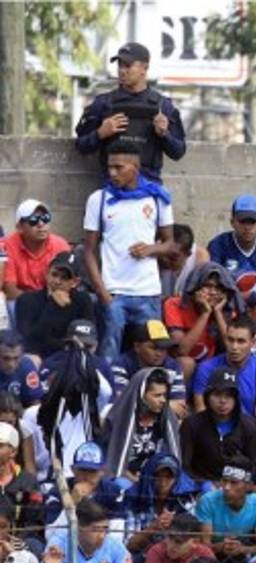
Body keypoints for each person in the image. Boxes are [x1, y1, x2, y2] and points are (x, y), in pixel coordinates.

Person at [82, 141, 175, 361]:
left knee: (152, 351)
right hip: (114, 292)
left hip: (148, 293)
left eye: (119, 167)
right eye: (110, 167)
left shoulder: (157, 197)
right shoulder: (99, 199)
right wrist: (102, 292)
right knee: (109, 353)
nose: (112, 173)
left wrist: (150, 249)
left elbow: (170, 243)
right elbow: (88, 251)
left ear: (135, 167)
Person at [73, 41, 186, 181]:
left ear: (144, 68)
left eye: (128, 65)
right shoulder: (103, 103)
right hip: (113, 186)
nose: (122, 70)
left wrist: (164, 134)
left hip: (149, 187)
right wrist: (100, 133)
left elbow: (178, 152)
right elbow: (81, 146)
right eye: (120, 65)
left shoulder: (163, 106)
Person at [180, 367, 256, 483]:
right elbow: (184, 465)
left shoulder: (249, 426)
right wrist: (203, 484)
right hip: (200, 487)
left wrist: (237, 485)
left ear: (236, 399)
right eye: (217, 394)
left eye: (228, 395)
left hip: (237, 487)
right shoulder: (192, 424)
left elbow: (255, 465)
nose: (223, 401)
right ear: (207, 397)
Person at [4, 200, 72, 303]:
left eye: (45, 218)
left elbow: (68, 285)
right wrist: (38, 303)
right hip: (21, 300)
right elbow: (10, 291)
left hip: (53, 299)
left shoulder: (60, 245)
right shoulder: (7, 246)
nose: (41, 224)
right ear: (20, 227)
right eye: (33, 220)